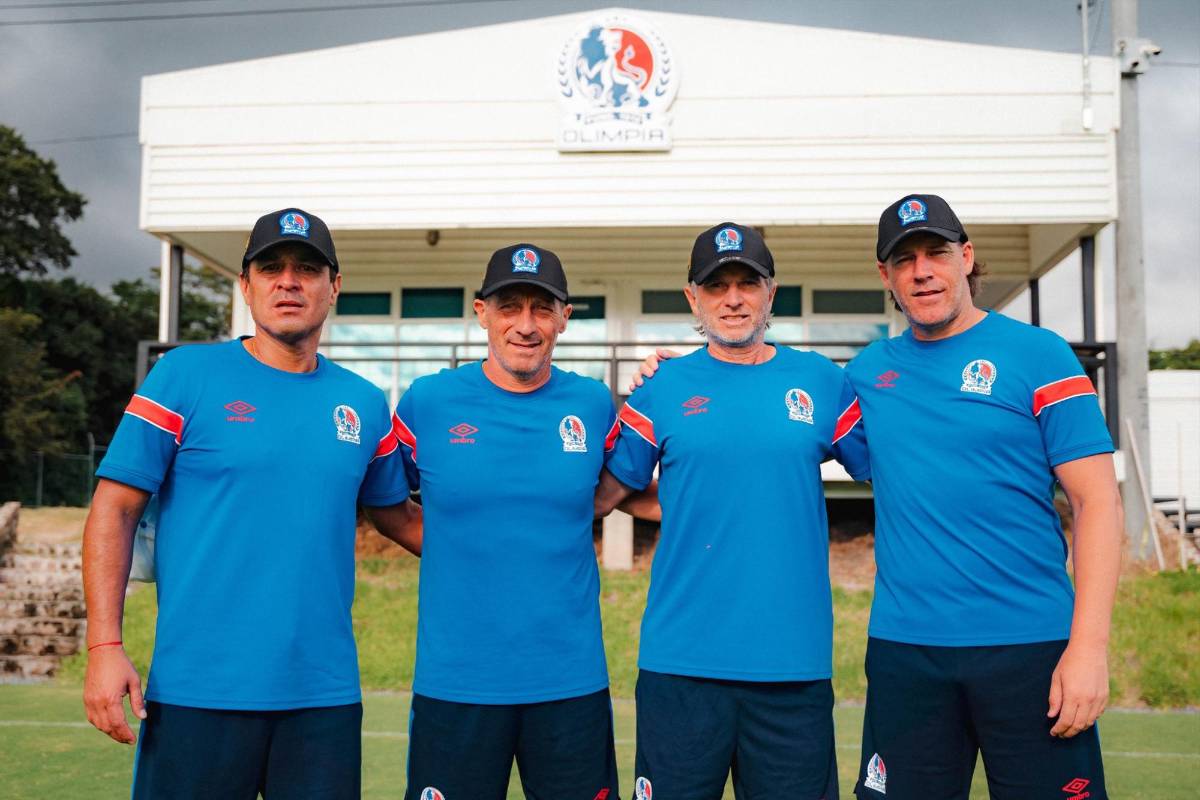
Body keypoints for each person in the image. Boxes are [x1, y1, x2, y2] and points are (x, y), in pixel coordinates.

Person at [82, 208, 421, 799]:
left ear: (333, 287)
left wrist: (531, 534)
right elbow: (114, 510)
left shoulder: (364, 404)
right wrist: (105, 647)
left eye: (307, 269)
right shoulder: (183, 375)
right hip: (197, 692)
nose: (288, 281)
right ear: (247, 285)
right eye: (270, 268)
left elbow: (401, 519)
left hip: (322, 698)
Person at [845, 194, 1122, 800]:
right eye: (904, 260)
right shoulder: (866, 374)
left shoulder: (1040, 354)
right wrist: (662, 376)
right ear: (886, 276)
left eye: (937, 253)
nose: (922, 271)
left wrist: (1089, 648)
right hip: (907, 652)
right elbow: (769, 420)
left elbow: (1098, 504)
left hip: (1032, 651)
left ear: (965, 258)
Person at [596, 223, 870, 800]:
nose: (733, 298)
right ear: (693, 298)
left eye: (748, 282)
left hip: (792, 668)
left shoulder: (822, 382)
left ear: (771, 292)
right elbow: (606, 495)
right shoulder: (660, 388)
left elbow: (896, 471)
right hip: (682, 664)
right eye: (716, 285)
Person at [394, 244, 643, 800]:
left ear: (564, 317)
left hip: (569, 682)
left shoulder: (593, 404)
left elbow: (623, 493)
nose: (525, 325)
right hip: (456, 681)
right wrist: (453, 548)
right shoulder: (428, 402)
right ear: (482, 312)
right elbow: (387, 505)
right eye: (510, 307)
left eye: (541, 308)